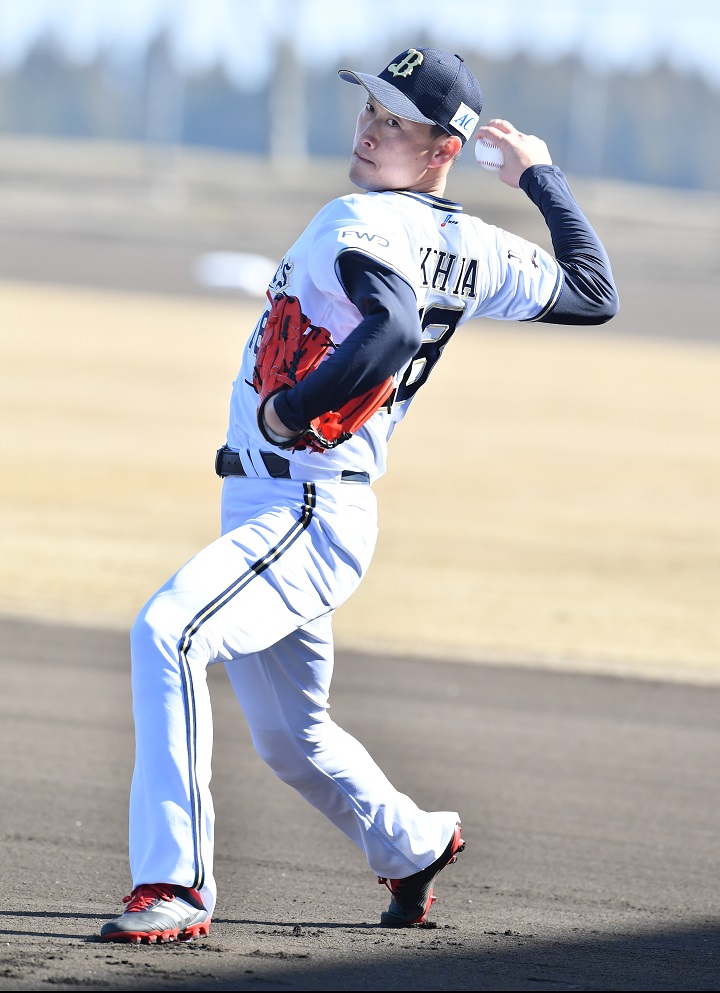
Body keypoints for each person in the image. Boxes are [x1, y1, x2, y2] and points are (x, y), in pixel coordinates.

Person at [100, 46, 618, 943]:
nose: (371, 128)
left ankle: (174, 883)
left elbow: (394, 325)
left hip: (301, 501)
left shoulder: (356, 219)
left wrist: (293, 411)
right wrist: (541, 178)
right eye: (371, 108)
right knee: (291, 739)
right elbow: (592, 290)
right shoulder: (476, 248)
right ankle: (413, 841)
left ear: (441, 150)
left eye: (397, 122)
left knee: (169, 631)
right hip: (305, 507)